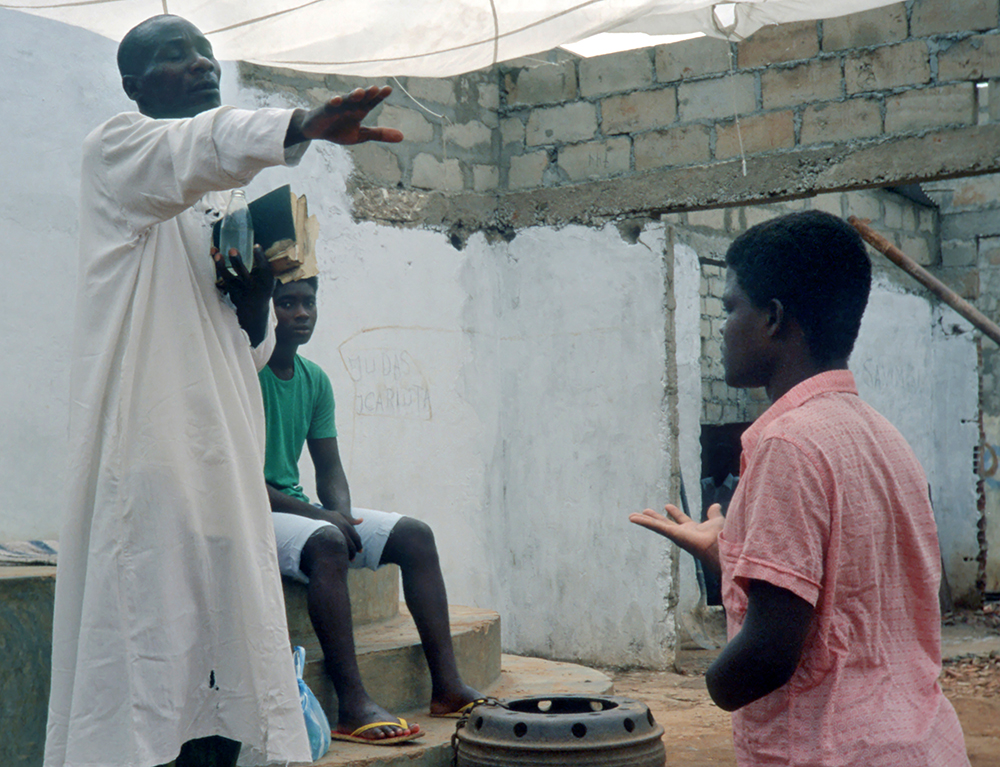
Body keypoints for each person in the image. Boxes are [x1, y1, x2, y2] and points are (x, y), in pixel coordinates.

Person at [44, 14, 402, 767]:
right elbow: (194, 147)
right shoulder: (119, 150)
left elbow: (247, 349)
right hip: (147, 460)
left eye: (207, 53)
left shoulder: (210, 204)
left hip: (219, 465)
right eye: (177, 56)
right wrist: (302, 124)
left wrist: (253, 295)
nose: (203, 64)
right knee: (148, 664)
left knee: (221, 663)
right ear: (133, 85)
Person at [630, 211, 970, 766]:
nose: (723, 327)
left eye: (730, 307)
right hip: (921, 745)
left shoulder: (788, 444)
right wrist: (731, 556)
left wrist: (713, 685)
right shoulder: (886, 438)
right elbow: (851, 597)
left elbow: (769, 652)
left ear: (774, 318)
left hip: (833, 750)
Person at [260, 276, 482, 745]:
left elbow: (330, 467)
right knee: (325, 541)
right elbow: (241, 482)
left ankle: (447, 688)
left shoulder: (314, 379)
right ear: (266, 309)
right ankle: (352, 705)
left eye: (309, 303)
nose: (301, 314)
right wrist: (324, 521)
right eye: (287, 303)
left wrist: (341, 513)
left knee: (415, 535)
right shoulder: (242, 376)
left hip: (296, 508)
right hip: (252, 511)